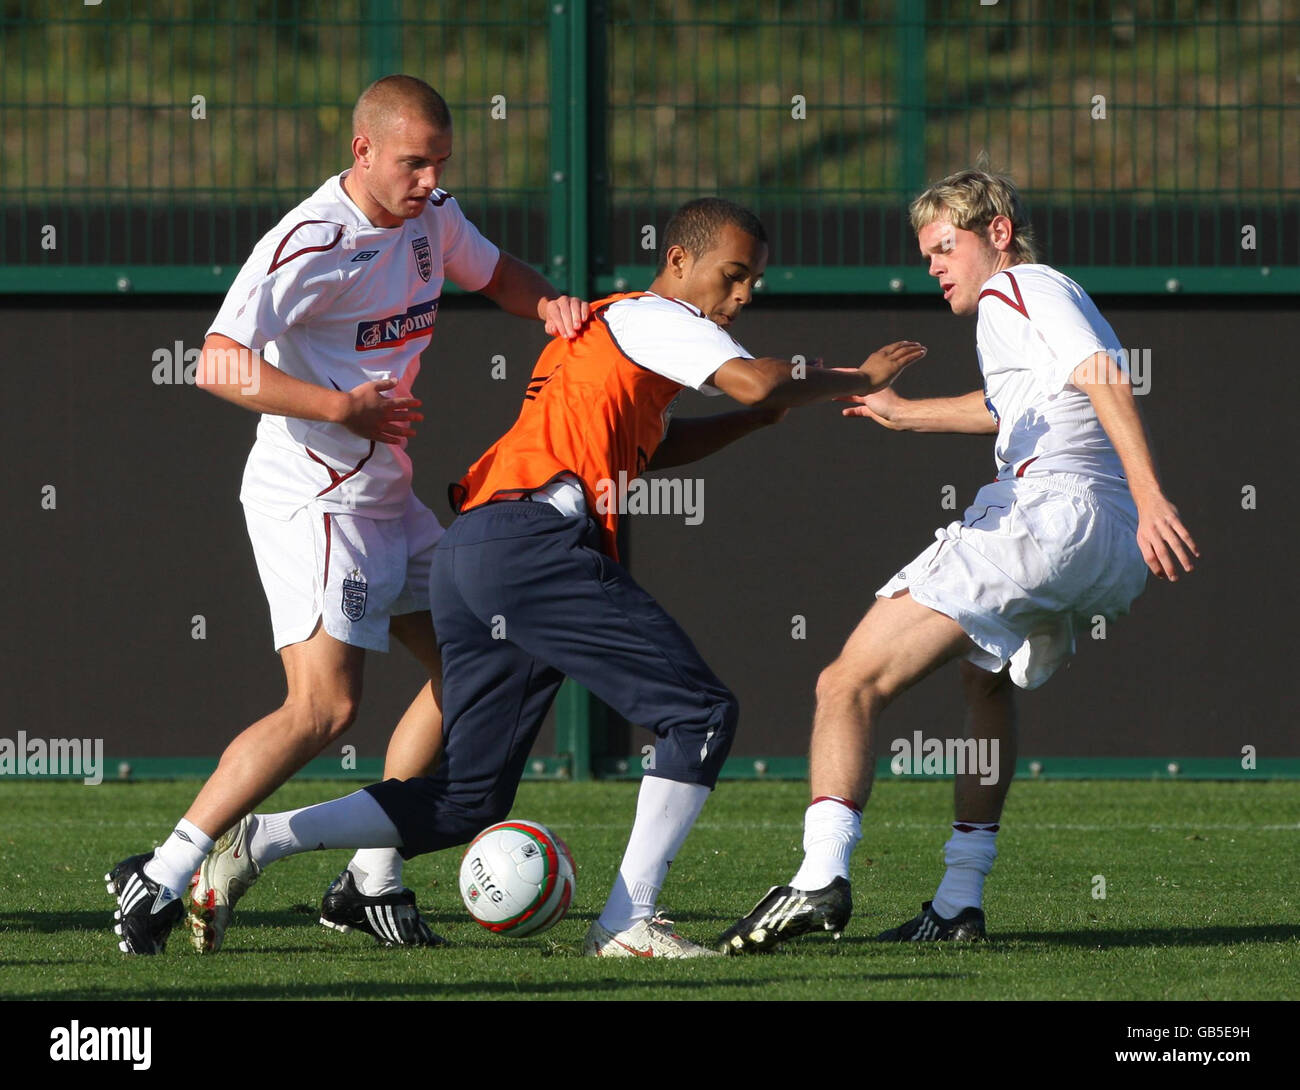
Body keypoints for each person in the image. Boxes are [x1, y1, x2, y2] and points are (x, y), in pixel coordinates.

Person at [169, 196, 929, 957]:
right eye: (732, 277)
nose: (741, 297)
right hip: (531, 546)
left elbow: (653, 449)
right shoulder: (655, 317)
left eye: (753, 283)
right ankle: (627, 922)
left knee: (467, 801)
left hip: (478, 550)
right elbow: (758, 381)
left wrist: (753, 422)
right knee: (699, 714)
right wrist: (848, 378)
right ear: (677, 262)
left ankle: (261, 839)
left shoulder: (615, 336)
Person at [106, 74, 589, 955]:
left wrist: (550, 302)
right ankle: (166, 869)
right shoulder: (310, 239)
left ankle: (369, 876)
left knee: (477, 658)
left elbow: (498, 272)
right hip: (314, 496)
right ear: (362, 151)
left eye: (440, 162)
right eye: (413, 162)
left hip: (386, 495)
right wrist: (339, 409)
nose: (428, 179)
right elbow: (216, 364)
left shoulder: (431, 216)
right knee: (324, 709)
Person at [719, 167, 1199, 953]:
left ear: (998, 234)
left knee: (845, 682)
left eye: (946, 248)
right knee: (983, 681)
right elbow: (1022, 405)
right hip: (1100, 543)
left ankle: (817, 879)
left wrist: (1153, 495)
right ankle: (958, 900)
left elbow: (1102, 375)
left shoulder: (1023, 288)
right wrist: (908, 418)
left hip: (1052, 514)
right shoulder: (1032, 303)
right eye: (928, 252)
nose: (934, 265)